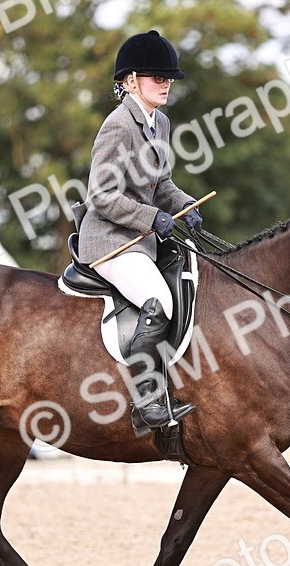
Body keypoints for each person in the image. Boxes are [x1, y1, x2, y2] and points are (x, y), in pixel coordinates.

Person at [78, 29, 203, 435]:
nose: (165, 84)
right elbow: (101, 195)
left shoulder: (159, 123)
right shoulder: (119, 126)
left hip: (142, 240)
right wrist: (151, 218)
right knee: (158, 300)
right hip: (111, 241)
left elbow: (162, 184)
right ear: (130, 81)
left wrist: (183, 205)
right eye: (156, 77)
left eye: (168, 78)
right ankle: (146, 401)